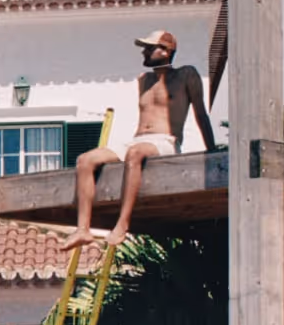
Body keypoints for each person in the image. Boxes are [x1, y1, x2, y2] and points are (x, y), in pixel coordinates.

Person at [59, 30, 217, 253]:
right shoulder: (144, 79)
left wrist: (212, 151)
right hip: (138, 140)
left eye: (149, 48)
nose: (144, 52)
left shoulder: (186, 75)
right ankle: (82, 229)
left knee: (135, 155)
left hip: (165, 141)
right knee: (85, 160)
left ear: (166, 51)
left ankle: (122, 223)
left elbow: (201, 114)